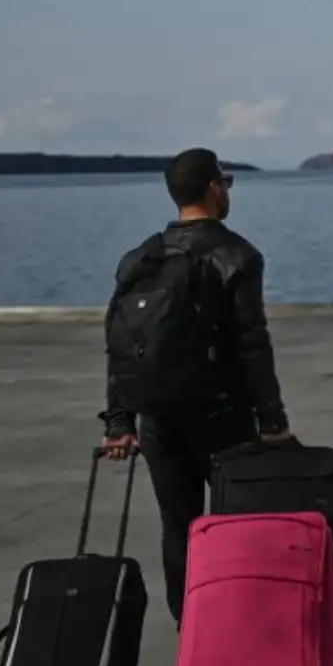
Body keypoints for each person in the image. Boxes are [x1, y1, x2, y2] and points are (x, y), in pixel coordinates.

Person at [99, 147, 290, 627]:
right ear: (213, 188)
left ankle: (193, 637)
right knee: (236, 530)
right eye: (224, 180)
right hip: (223, 416)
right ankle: (235, 636)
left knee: (178, 529)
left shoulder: (140, 258)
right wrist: (272, 420)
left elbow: (121, 344)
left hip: (158, 418)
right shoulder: (238, 255)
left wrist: (119, 420)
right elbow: (252, 345)